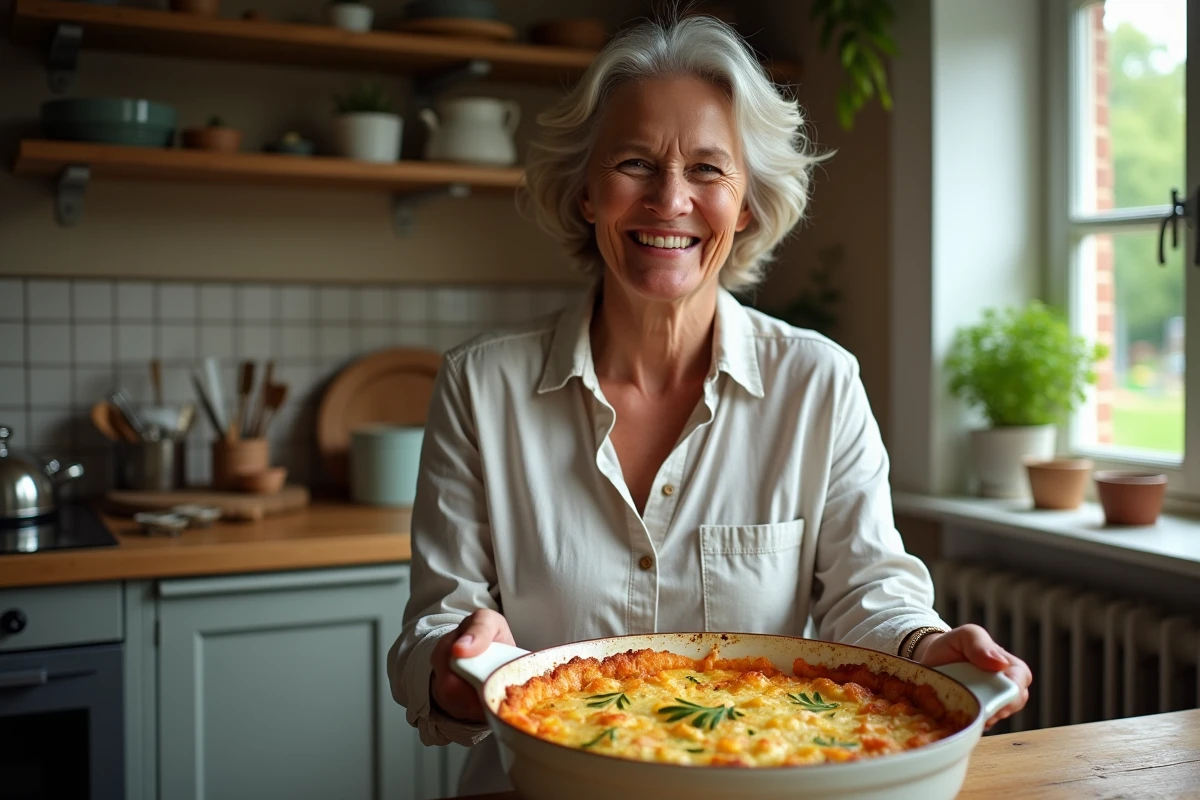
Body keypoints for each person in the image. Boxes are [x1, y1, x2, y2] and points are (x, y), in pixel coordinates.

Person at [387, 14, 1031, 795]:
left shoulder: (819, 383)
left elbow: (870, 593)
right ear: (587, 193)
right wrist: (458, 657)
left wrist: (927, 649)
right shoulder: (479, 386)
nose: (669, 200)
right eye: (634, 163)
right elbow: (435, 624)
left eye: (706, 169)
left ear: (749, 203)